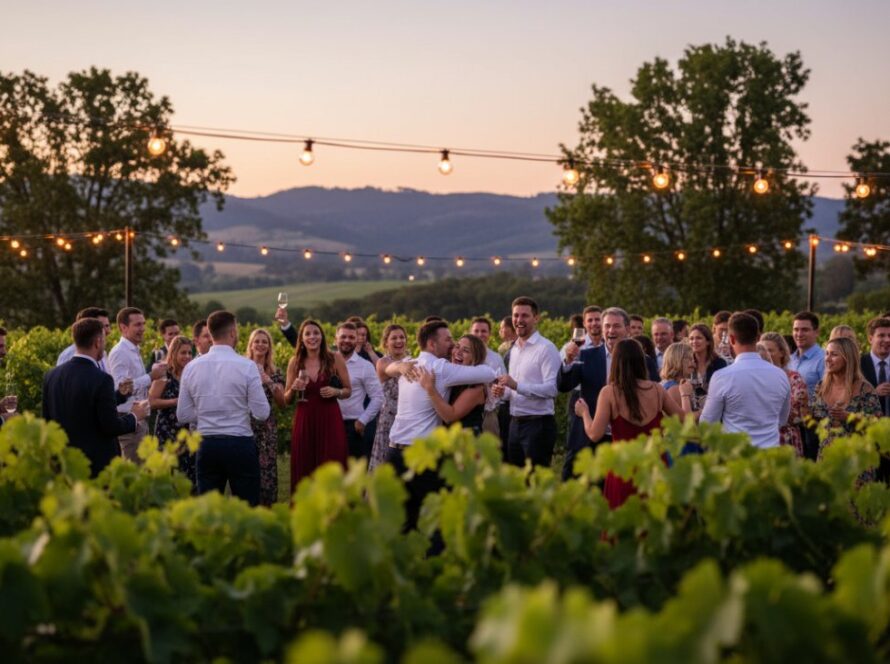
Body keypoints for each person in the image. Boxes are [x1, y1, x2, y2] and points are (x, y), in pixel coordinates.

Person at [385, 320, 495, 530]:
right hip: (421, 456)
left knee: (401, 522)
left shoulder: (410, 363)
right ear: (432, 345)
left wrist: (398, 365)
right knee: (438, 518)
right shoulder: (441, 368)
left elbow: (385, 368)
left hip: (394, 452)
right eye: (448, 340)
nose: (452, 345)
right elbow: (490, 373)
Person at [574, 338, 691, 508]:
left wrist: (584, 413)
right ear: (641, 361)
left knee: (623, 521)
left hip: (624, 467)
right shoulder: (657, 390)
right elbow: (685, 421)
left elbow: (594, 434)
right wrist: (686, 394)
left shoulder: (609, 393)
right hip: (654, 466)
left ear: (616, 362)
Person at [177, 311, 270, 505]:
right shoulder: (247, 366)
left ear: (210, 334)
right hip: (239, 443)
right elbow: (262, 413)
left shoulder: (191, 367)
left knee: (209, 510)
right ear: (233, 333)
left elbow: (183, 414)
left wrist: (206, 412)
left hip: (206, 444)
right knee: (247, 507)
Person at [558, 307, 659, 480]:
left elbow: (653, 395)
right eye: (607, 326)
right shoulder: (585, 355)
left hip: (629, 438)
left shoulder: (644, 360)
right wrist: (567, 362)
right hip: (594, 437)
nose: (611, 330)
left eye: (616, 326)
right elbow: (564, 386)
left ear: (627, 329)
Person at [43, 318, 148, 476]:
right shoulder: (102, 379)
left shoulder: (51, 375)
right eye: (104, 339)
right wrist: (135, 416)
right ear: (98, 342)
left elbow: (48, 420)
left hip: (63, 463)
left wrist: (120, 395)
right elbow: (110, 426)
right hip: (95, 465)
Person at [700, 313, 791, 448]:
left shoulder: (722, 377)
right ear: (759, 338)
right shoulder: (780, 375)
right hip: (771, 458)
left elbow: (707, 424)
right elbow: (782, 420)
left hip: (737, 457)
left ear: (731, 339)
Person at [492, 297, 562, 469]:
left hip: (538, 426)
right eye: (516, 316)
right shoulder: (514, 349)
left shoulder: (546, 348)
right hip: (514, 423)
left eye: (525, 316)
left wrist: (516, 385)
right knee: (516, 482)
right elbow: (513, 391)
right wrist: (504, 392)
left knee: (535, 483)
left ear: (536, 318)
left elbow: (552, 389)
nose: (519, 320)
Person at [285, 320, 352, 488]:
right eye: (307, 334)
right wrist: (293, 389)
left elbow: (348, 390)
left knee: (332, 465)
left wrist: (336, 392)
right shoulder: (295, 362)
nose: (312, 337)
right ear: (302, 338)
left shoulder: (334, 358)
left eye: (316, 333)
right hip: (305, 420)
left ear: (322, 336)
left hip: (330, 420)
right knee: (305, 466)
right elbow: (286, 399)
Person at [107, 307, 167, 462]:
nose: (143, 329)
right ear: (123, 327)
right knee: (135, 475)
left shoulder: (133, 349)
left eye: (143, 324)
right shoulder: (120, 352)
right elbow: (120, 388)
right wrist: (151, 376)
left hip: (139, 422)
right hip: (129, 423)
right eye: (138, 325)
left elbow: (135, 385)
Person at [811, 337, 883, 461]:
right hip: (826, 456)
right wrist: (803, 408)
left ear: (847, 358)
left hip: (856, 459)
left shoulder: (864, 389)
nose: (827, 359)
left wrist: (849, 417)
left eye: (834, 354)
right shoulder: (821, 386)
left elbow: (877, 422)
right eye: (826, 353)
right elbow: (814, 420)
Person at [245, 328, 286, 506]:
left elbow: (282, 402)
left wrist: (268, 380)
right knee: (245, 468)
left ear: (269, 346)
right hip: (244, 424)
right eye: (257, 341)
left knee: (267, 471)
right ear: (251, 345)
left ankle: (266, 508)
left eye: (264, 342)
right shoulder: (242, 368)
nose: (261, 345)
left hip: (267, 428)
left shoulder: (275, 372)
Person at [149, 336, 196, 486]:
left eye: (189, 353)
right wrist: (175, 402)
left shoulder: (192, 373)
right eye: (183, 353)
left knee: (187, 477)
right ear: (173, 353)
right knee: (168, 475)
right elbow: (151, 402)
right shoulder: (164, 374)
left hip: (187, 431)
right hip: (167, 430)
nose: (187, 356)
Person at [419, 334, 488, 435]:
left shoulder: (476, 387)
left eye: (466, 350)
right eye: (457, 346)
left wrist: (430, 388)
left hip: (467, 444)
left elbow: (449, 417)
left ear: (475, 358)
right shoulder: (451, 379)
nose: (458, 352)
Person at [334, 322, 383, 460]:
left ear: (357, 341)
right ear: (335, 338)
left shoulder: (365, 366)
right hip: (329, 423)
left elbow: (378, 397)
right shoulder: (327, 362)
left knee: (354, 475)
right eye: (343, 337)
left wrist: (363, 420)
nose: (347, 340)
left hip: (353, 427)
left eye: (351, 337)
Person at [759, 332, 808, 457]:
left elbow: (798, 415)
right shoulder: (756, 378)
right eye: (763, 351)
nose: (766, 355)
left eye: (770, 350)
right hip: (761, 440)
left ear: (782, 353)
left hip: (786, 440)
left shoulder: (794, 378)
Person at [369, 324, 409, 470]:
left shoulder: (412, 360)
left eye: (402, 337)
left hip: (408, 419)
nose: (399, 341)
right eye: (394, 338)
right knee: (384, 462)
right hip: (389, 420)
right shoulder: (383, 362)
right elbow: (395, 369)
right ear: (386, 342)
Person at [469, 316, 508, 438]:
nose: (480, 334)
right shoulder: (461, 355)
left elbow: (504, 385)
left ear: (490, 334)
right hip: (465, 413)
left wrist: (499, 389)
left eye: (484, 331)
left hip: (488, 414)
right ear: (471, 333)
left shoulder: (496, 358)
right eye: (476, 331)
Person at [789, 311, 824, 395]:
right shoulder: (789, 359)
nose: (799, 334)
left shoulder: (824, 359)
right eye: (796, 329)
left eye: (805, 330)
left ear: (817, 332)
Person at [861, 317, 890, 418]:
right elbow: (849, 398)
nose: (887, 340)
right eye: (881, 335)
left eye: (889, 335)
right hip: (867, 426)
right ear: (870, 339)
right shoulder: (858, 365)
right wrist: (874, 394)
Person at [688, 323, 727, 392]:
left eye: (698, 338)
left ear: (708, 342)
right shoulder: (686, 362)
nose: (694, 341)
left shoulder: (719, 363)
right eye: (691, 339)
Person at [660, 342, 697, 415]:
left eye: (693, 359)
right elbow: (685, 423)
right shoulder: (674, 388)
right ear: (676, 360)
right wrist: (701, 412)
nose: (693, 363)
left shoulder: (677, 384)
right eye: (688, 358)